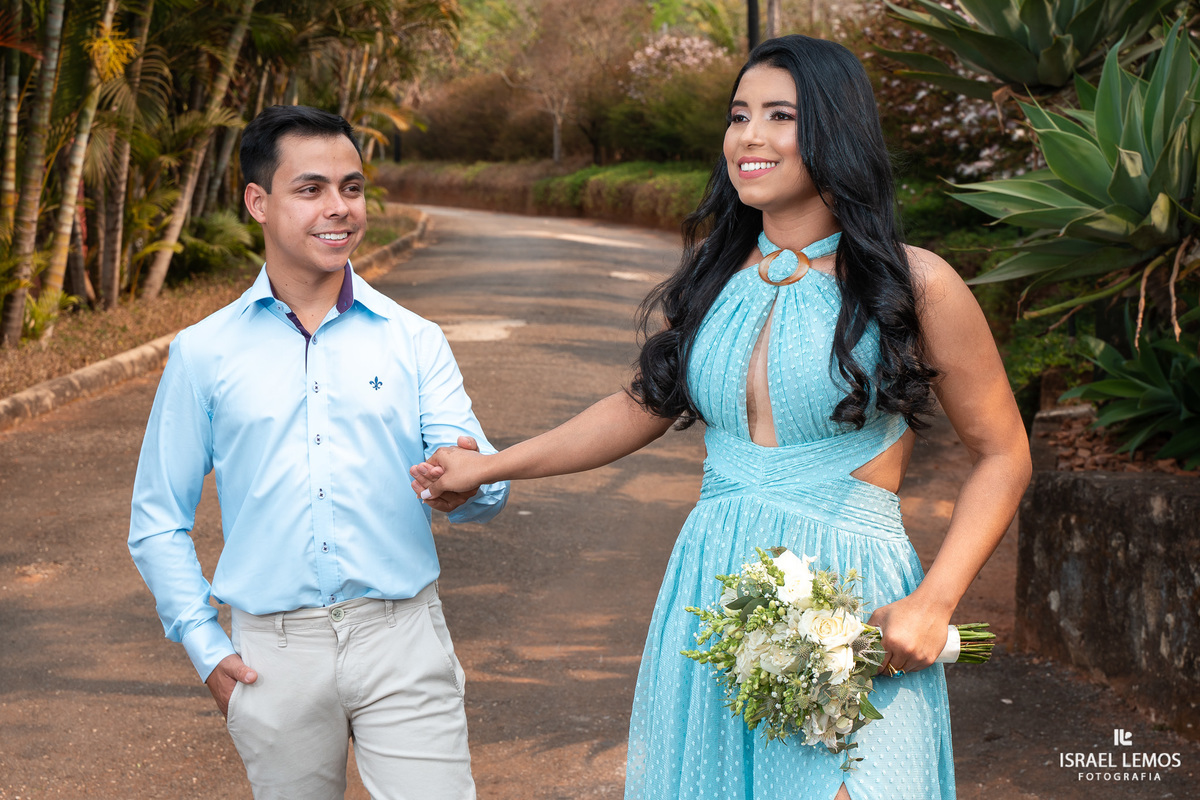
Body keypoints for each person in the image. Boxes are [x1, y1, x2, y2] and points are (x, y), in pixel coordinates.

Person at [410, 35, 1031, 800]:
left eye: (780, 116)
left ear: (835, 130)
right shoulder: (711, 279)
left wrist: (934, 602)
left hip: (854, 599)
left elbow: (1004, 454)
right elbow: (639, 405)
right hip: (713, 586)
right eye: (739, 115)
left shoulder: (916, 282)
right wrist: (489, 466)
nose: (749, 137)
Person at [128, 104, 508, 799]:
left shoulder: (413, 338)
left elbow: (475, 470)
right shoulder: (203, 352)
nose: (339, 209)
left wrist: (468, 484)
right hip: (273, 657)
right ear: (258, 202)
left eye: (352, 187)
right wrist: (207, 650)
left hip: (403, 637)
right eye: (311, 190)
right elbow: (157, 521)